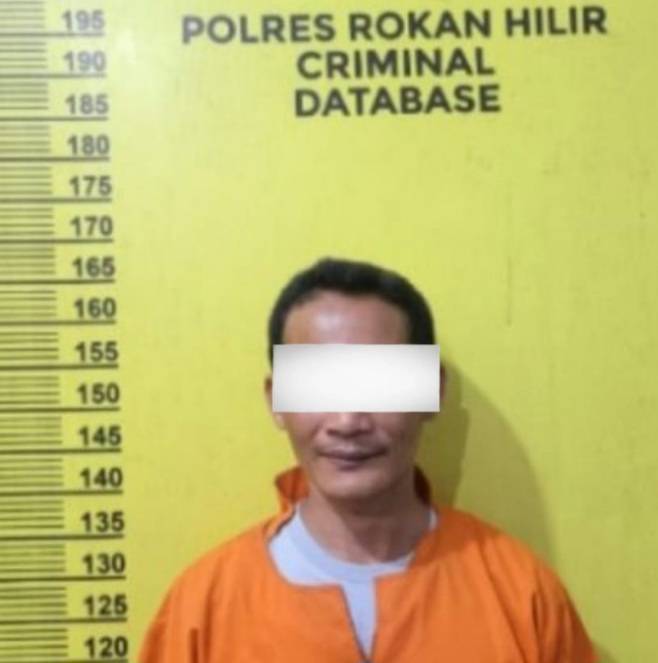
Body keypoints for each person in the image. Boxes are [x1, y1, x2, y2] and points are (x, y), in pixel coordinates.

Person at [139, 256, 597, 663]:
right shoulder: (202, 611)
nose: (347, 421)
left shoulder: (522, 596)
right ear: (276, 399)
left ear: (432, 391)